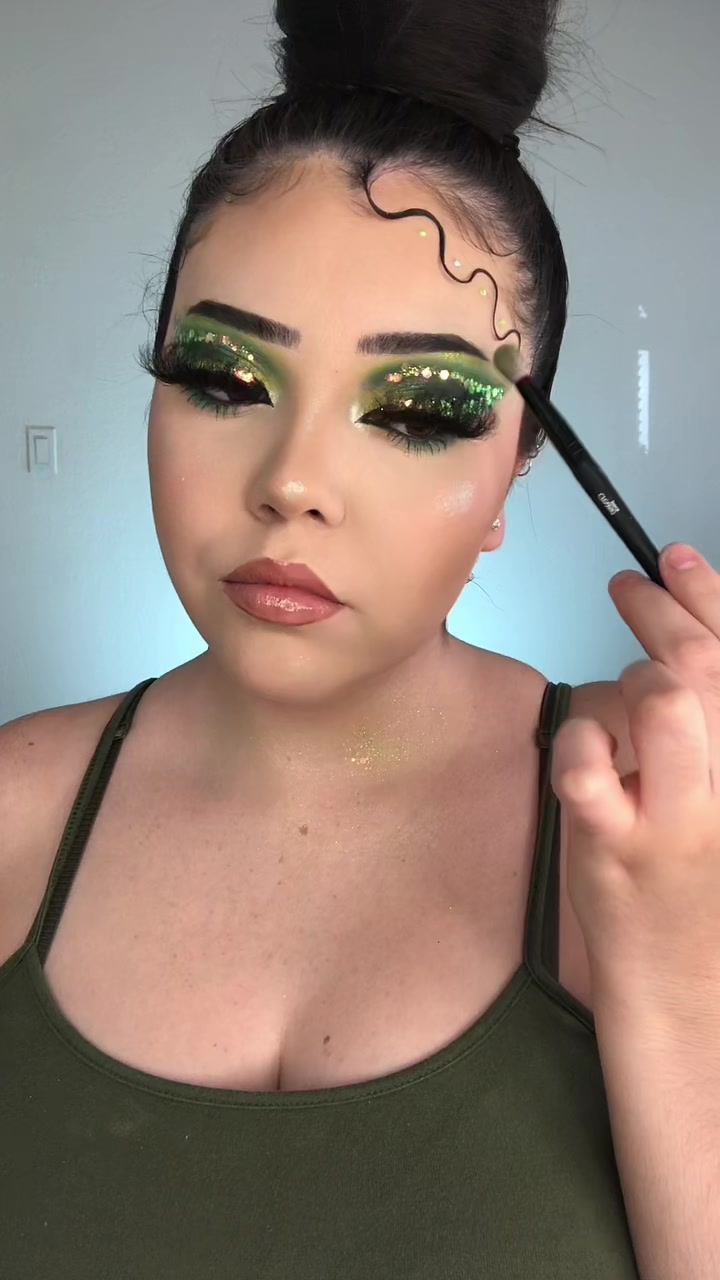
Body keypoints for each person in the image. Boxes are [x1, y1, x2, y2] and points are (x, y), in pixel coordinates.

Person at [0, 0, 642, 1274]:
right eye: (225, 379)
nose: (292, 481)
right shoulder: (13, 810)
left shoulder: (656, 824)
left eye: (418, 408)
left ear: (518, 467)